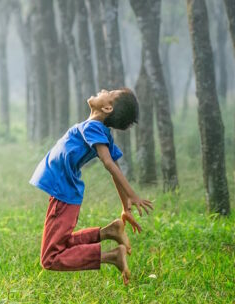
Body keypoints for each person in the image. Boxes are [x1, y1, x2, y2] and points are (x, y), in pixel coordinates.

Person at [29, 88, 153, 285]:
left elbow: (109, 163)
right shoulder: (97, 129)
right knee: (61, 243)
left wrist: (132, 195)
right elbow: (115, 165)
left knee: (50, 258)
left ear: (107, 107)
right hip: (64, 192)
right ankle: (108, 232)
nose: (103, 89)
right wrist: (125, 207)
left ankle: (112, 256)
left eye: (109, 92)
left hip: (63, 193)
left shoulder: (94, 127)